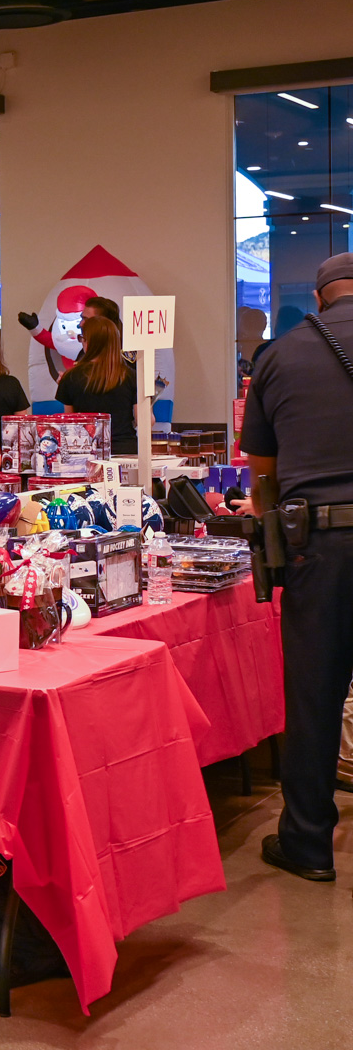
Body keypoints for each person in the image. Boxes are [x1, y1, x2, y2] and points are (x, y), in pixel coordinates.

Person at [241, 251, 353, 882]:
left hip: (322, 544)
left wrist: (272, 515)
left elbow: (262, 468)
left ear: (319, 299)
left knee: (314, 695)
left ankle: (308, 845)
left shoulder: (281, 355)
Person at [53, 314, 137, 453]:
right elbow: (145, 421)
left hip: (85, 453)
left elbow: (69, 424)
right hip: (125, 450)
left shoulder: (71, 377)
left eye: (82, 339)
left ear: (89, 342)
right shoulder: (130, 375)